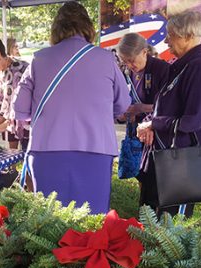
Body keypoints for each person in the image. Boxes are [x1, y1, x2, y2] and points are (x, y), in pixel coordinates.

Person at [13, 1, 130, 214]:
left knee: (49, 221)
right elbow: (123, 103)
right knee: (92, 218)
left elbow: (19, 108)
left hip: (47, 148)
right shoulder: (105, 58)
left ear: (56, 29)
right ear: (88, 27)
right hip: (96, 148)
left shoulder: (39, 59)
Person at [136, 10, 201, 217]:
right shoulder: (181, 66)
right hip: (160, 156)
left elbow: (192, 122)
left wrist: (155, 124)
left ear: (189, 36)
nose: (165, 40)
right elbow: (161, 107)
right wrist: (147, 124)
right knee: (148, 217)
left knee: (168, 228)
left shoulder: (199, 68)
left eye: (171, 35)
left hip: (180, 163)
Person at [117, 33, 169, 125]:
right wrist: (121, 116)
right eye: (124, 61)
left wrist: (141, 108)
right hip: (133, 132)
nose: (129, 65)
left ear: (144, 52)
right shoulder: (123, 71)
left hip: (156, 129)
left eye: (131, 60)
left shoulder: (162, 69)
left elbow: (169, 105)